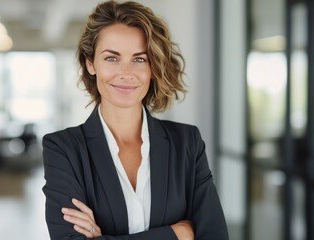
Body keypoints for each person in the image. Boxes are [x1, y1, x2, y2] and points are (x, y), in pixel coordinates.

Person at [42, 1, 229, 239]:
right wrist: (178, 234)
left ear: (153, 67)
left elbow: (215, 235)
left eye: (140, 59)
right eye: (112, 58)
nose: (126, 73)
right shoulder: (63, 149)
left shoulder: (187, 143)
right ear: (90, 63)